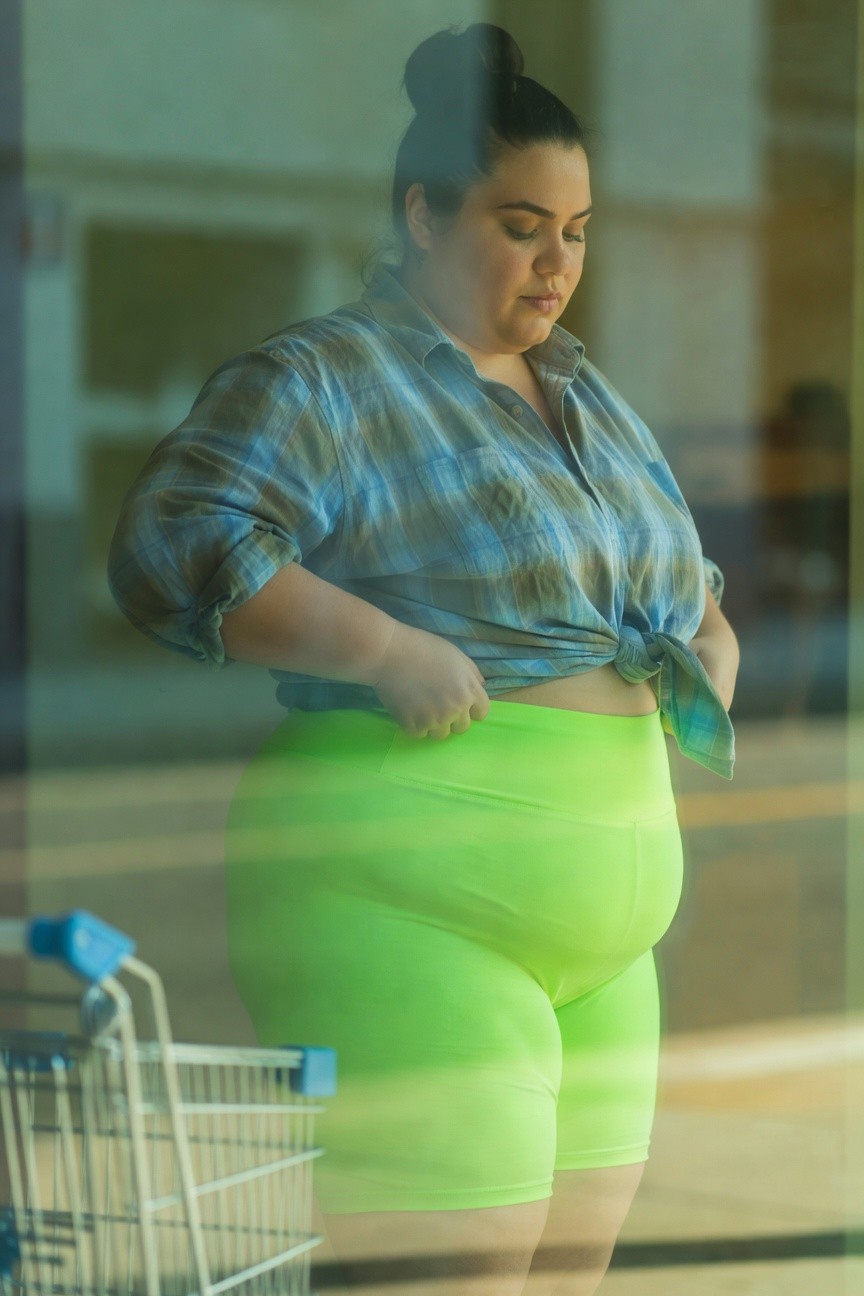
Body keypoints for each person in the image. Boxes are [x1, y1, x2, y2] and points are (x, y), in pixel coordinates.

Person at [108, 22, 739, 1296]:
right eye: (521, 224)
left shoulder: (587, 395)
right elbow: (175, 543)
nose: (558, 260)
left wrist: (705, 659)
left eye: (577, 227)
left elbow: (692, 588)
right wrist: (381, 644)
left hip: (604, 945)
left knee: (568, 1279)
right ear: (423, 214)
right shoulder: (330, 375)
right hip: (407, 903)